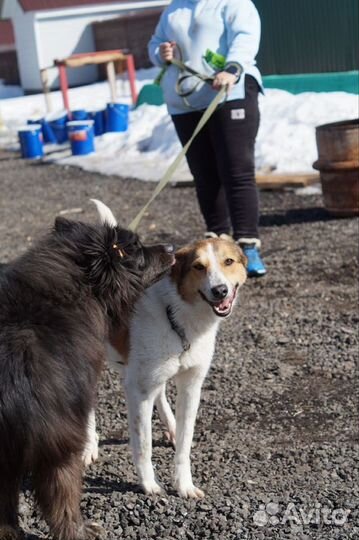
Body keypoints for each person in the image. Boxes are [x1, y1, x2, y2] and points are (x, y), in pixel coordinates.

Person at [148, 0, 266, 277]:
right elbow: (155, 43)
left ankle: (247, 245)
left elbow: (245, 37)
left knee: (237, 171)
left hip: (230, 92)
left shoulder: (234, 4)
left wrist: (233, 68)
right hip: (185, 102)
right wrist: (160, 52)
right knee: (204, 173)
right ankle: (217, 242)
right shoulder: (174, 8)